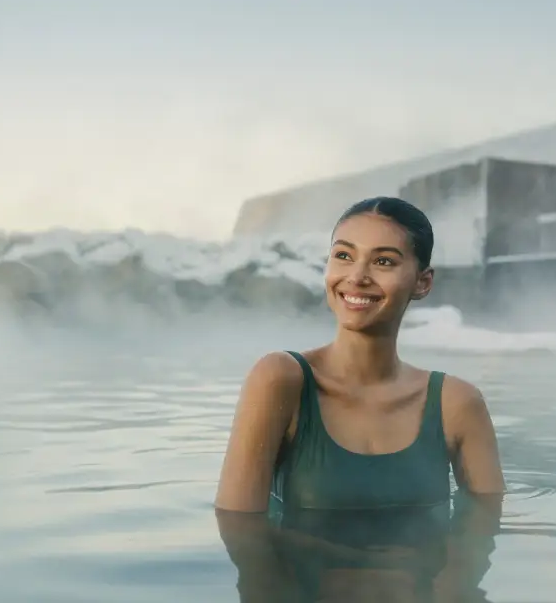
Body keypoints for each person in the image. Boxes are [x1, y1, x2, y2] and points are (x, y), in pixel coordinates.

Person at [215, 196, 506, 601]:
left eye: (383, 261)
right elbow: (240, 529)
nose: (357, 277)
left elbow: (483, 528)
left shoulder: (457, 404)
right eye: (344, 256)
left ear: (422, 282)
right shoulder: (281, 380)